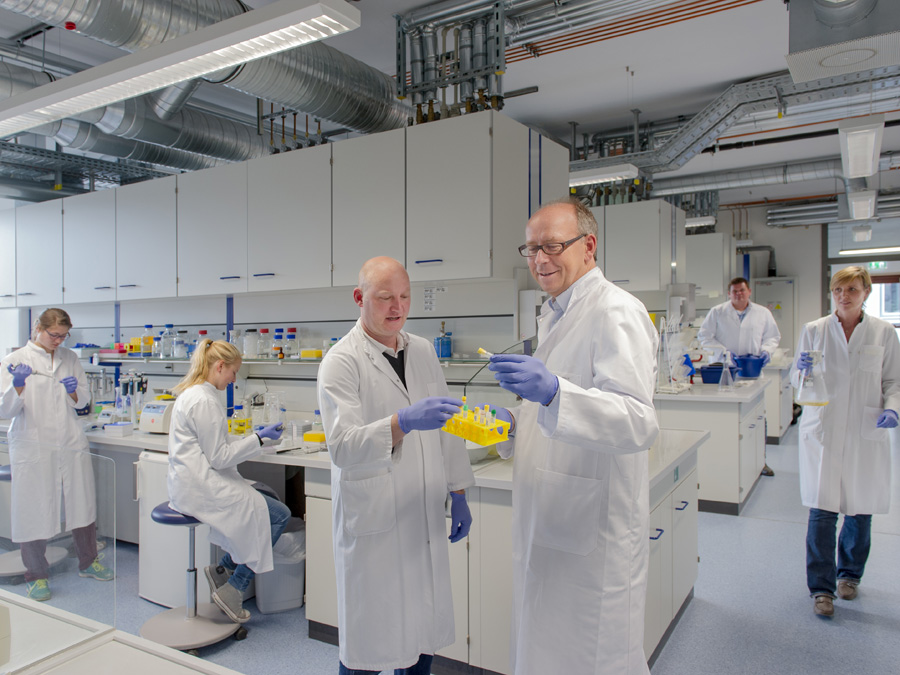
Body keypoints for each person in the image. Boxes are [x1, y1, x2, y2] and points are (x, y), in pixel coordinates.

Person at [486, 199, 660, 675]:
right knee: (546, 650)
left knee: (592, 656)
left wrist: (554, 393)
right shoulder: (556, 313)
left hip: (593, 531)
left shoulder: (616, 312)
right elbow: (559, 410)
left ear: (589, 246)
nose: (540, 260)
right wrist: (516, 424)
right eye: (532, 248)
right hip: (553, 515)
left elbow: (636, 421)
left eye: (553, 246)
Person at [317, 256, 475, 675]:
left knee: (421, 638)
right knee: (369, 645)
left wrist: (458, 491)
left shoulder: (421, 350)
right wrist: (401, 422)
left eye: (404, 297)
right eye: (385, 297)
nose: (396, 307)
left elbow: (448, 424)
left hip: (419, 511)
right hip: (374, 521)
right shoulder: (340, 361)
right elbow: (344, 446)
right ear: (359, 298)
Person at [790, 266, 900, 618]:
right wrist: (802, 370)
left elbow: (894, 382)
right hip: (824, 431)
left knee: (859, 508)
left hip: (865, 431)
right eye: (838, 290)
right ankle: (821, 588)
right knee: (822, 512)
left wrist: (894, 409)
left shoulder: (884, 333)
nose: (844, 296)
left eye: (851, 289)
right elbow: (798, 380)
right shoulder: (814, 330)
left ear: (866, 292)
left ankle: (849, 576)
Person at [167, 339, 289, 624]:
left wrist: (259, 442)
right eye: (233, 372)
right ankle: (234, 587)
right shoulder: (205, 400)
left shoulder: (196, 394)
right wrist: (258, 439)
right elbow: (220, 457)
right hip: (202, 487)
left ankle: (223, 570)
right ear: (219, 366)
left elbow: (216, 444)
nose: (235, 379)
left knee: (266, 501)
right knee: (278, 515)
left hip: (195, 482)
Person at [0, 308, 113, 602]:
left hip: (69, 439)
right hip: (33, 443)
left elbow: (84, 401)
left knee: (82, 502)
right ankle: (36, 575)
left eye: (63, 336)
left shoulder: (70, 358)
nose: (58, 341)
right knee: (33, 507)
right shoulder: (14, 362)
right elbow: (4, 410)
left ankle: (89, 562)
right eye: (54, 335)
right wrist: (18, 385)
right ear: (39, 328)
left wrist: (75, 393)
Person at [698, 276, 781, 476]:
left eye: (742, 290)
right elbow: (704, 336)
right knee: (729, 418)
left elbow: (773, 336)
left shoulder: (762, 313)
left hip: (753, 371)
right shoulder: (717, 312)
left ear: (749, 291)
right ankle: (730, 465)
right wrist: (724, 352)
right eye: (734, 291)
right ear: (729, 293)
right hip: (725, 371)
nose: (738, 294)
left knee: (758, 417)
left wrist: (765, 351)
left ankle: (761, 461)